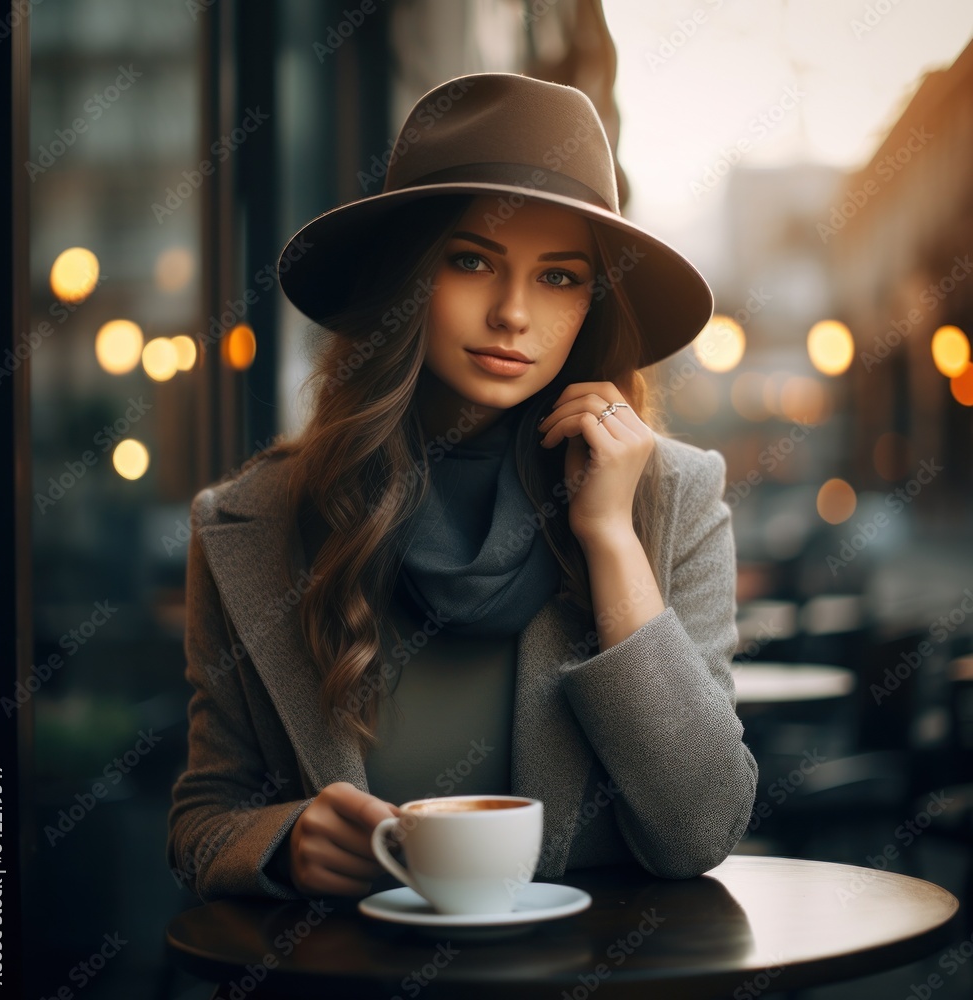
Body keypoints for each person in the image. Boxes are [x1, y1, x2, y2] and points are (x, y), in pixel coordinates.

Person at [167, 72, 758, 903]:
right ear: (406, 278)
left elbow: (698, 828)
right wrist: (283, 841)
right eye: (472, 260)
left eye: (559, 277)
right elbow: (202, 818)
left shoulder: (673, 497)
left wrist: (611, 542)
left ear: (593, 302)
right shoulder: (248, 523)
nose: (514, 313)